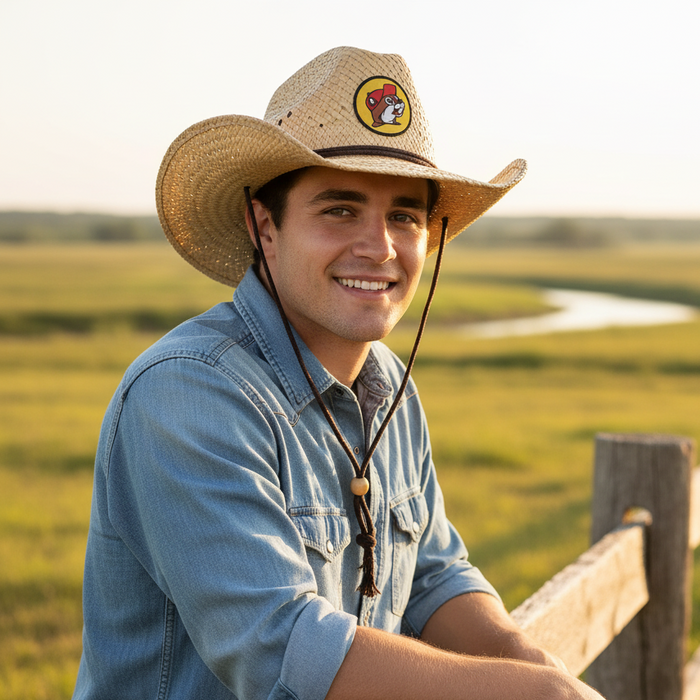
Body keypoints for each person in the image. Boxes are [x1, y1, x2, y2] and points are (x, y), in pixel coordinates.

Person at [73, 47, 605, 700]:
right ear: (264, 226)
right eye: (340, 209)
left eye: (404, 216)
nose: (379, 246)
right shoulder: (188, 393)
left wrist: (532, 663)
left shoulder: (390, 390)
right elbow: (281, 643)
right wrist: (533, 696)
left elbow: (434, 577)